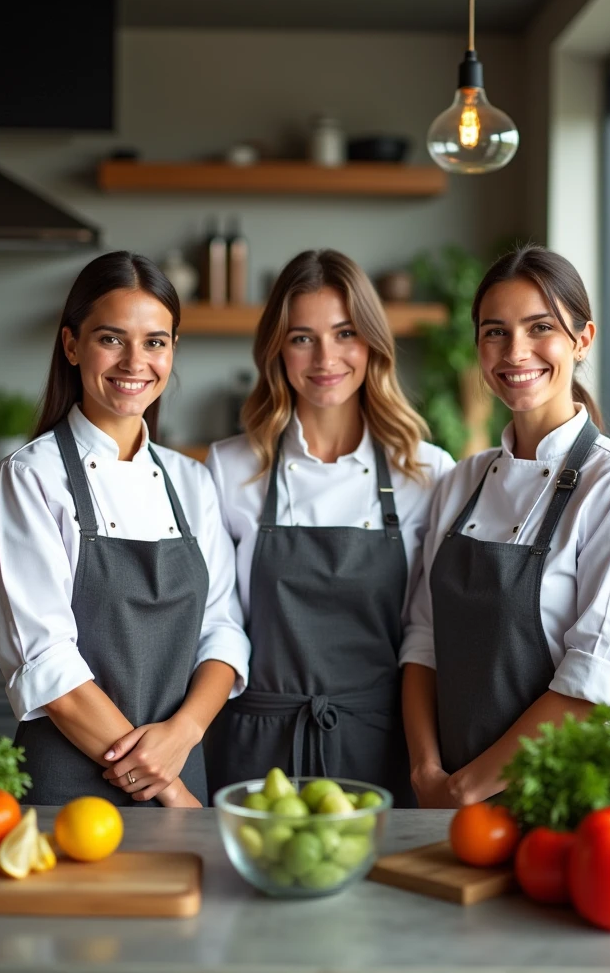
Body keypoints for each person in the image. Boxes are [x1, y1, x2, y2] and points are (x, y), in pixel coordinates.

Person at [0, 251, 250, 807]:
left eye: (156, 341)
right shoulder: (30, 479)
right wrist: (170, 790)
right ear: (72, 345)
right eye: (111, 338)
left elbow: (223, 632)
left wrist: (184, 735)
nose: (135, 361)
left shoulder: (192, 482)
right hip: (71, 788)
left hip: (182, 764)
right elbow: (47, 663)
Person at [402, 245, 610, 809]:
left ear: (582, 339)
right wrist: (426, 773)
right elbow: (423, 640)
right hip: (442, 800)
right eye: (494, 332)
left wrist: (465, 787)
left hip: (557, 804)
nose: (514, 351)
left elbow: (599, 684)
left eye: (539, 327)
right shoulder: (461, 481)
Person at [204, 249, 454, 805]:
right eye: (302, 338)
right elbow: (218, 625)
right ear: (276, 349)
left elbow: (426, 634)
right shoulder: (230, 468)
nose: (325, 358)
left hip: (382, 741)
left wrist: (426, 764)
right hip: (255, 746)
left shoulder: (429, 473)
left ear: (372, 343)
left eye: (345, 334)